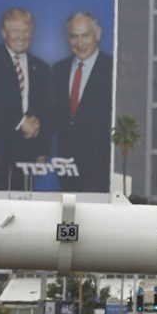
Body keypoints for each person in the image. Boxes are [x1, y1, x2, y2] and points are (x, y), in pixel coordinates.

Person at [0, 8, 52, 191]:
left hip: (28, 154)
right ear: (4, 33)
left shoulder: (42, 68)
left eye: (26, 31)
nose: (21, 37)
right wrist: (21, 121)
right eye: (15, 31)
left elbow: (47, 111)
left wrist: (42, 150)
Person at [52, 11, 113, 192]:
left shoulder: (111, 69)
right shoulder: (58, 70)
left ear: (98, 34)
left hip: (100, 172)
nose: (80, 43)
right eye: (74, 36)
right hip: (65, 168)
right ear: (67, 38)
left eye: (85, 35)